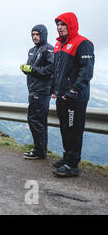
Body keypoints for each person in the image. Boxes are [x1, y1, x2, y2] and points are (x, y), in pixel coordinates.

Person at [50, 12, 94, 177]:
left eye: (63, 24)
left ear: (71, 24)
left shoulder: (83, 44)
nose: (59, 28)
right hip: (61, 96)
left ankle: (73, 165)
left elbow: (86, 71)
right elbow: (57, 71)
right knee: (64, 128)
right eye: (58, 25)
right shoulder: (58, 45)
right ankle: (67, 158)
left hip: (75, 98)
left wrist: (74, 91)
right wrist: (54, 89)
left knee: (74, 130)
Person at [20, 24, 54, 160]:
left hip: (42, 91)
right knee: (37, 120)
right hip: (33, 89)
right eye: (33, 34)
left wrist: (32, 69)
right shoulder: (32, 50)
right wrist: (26, 69)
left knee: (35, 120)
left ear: (43, 34)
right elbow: (33, 68)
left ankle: (39, 151)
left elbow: (50, 70)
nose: (35, 37)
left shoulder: (49, 49)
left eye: (37, 34)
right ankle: (40, 150)